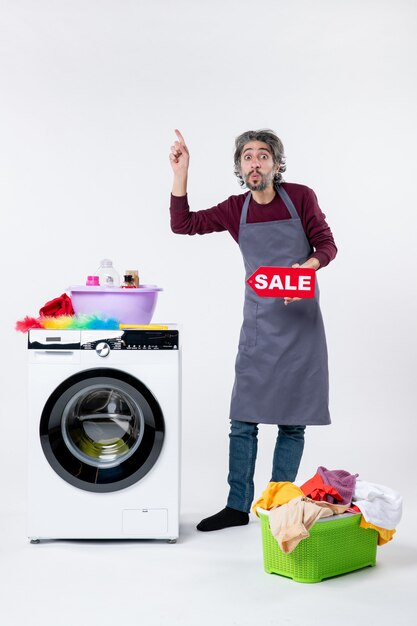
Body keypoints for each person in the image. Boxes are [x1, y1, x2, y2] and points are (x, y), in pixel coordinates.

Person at [169, 129, 337, 532]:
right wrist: (181, 173)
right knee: (243, 419)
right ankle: (236, 506)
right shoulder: (235, 209)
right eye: (248, 156)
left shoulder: (300, 197)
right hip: (259, 325)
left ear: (277, 165)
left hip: (300, 323)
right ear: (240, 167)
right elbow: (183, 224)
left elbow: (326, 245)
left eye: (264, 156)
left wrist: (305, 269)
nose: (255, 163)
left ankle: (278, 506)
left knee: (291, 421)